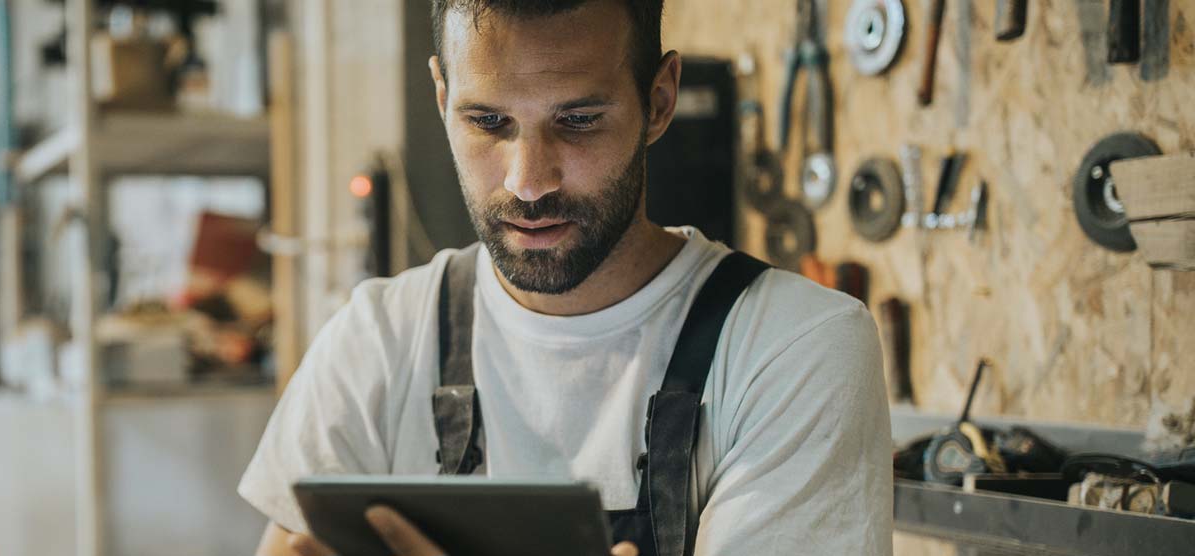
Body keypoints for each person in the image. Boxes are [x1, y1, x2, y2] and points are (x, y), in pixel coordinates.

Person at [240, 1, 892, 554]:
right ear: (442, 99)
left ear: (659, 101)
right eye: (487, 122)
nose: (528, 181)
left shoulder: (796, 349)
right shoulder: (376, 340)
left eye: (577, 122)